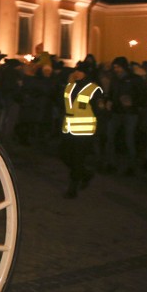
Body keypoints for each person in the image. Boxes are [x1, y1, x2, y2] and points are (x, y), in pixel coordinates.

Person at [60, 61, 102, 198]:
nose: (76, 73)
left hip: (85, 131)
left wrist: (99, 131)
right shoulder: (70, 86)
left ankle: (73, 188)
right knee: (65, 156)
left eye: (79, 71)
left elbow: (99, 111)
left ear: (86, 73)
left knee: (77, 159)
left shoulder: (94, 89)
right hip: (69, 128)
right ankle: (85, 174)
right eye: (76, 71)